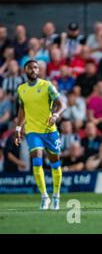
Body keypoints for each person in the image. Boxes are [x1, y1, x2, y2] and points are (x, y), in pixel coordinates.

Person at [14, 60, 66, 210]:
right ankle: (45, 197)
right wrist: (18, 128)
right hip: (32, 131)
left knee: (55, 163)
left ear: (39, 70)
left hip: (49, 131)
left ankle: (56, 195)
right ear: (25, 70)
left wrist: (55, 115)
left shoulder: (47, 86)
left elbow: (62, 104)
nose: (33, 69)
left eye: (36, 67)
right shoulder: (21, 89)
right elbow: (22, 109)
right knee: (37, 160)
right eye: (30, 67)